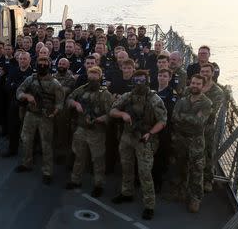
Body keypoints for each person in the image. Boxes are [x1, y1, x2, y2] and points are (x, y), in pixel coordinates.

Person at [109, 70, 167, 219]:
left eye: (142, 80)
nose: (139, 83)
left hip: (144, 139)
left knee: (145, 172)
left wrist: (151, 133)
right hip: (127, 136)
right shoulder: (128, 97)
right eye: (136, 80)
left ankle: (149, 205)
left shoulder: (155, 100)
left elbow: (162, 121)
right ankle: (126, 192)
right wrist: (123, 114)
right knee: (126, 166)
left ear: (147, 81)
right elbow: (112, 110)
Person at [15, 56, 64, 184]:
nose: (42, 66)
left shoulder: (55, 83)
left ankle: (47, 172)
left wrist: (54, 112)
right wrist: (26, 96)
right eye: (40, 63)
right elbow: (19, 91)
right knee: (26, 139)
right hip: (31, 114)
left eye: (44, 64)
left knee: (46, 144)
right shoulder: (31, 79)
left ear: (48, 65)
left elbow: (60, 103)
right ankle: (27, 163)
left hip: (46, 117)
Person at [66, 66, 113, 196]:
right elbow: (69, 98)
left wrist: (102, 119)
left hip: (96, 131)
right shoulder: (81, 90)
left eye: (95, 75)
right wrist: (76, 104)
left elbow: (112, 113)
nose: (92, 78)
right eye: (90, 75)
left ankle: (98, 184)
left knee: (98, 160)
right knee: (79, 156)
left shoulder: (105, 94)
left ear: (100, 77)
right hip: (81, 129)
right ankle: (76, 180)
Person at [170, 74, 213, 213]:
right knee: (180, 166)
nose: (195, 86)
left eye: (198, 84)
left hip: (196, 141)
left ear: (203, 86)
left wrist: (183, 117)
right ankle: (180, 192)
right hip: (181, 139)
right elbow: (174, 117)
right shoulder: (183, 101)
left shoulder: (206, 103)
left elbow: (200, 122)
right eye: (193, 83)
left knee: (196, 170)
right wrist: (190, 117)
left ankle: (196, 198)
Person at [199, 63, 225, 192]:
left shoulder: (217, 92)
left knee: (208, 154)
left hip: (207, 128)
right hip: (192, 127)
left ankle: (208, 180)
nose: (204, 73)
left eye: (207, 71)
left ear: (212, 73)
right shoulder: (196, 86)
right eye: (202, 71)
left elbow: (211, 112)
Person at [3, 51, 33, 157]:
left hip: (28, 107)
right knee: (13, 128)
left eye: (25, 59)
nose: (22, 61)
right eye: (20, 59)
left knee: (28, 131)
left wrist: (15, 85)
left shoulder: (32, 74)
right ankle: (12, 149)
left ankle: (29, 154)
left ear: (29, 60)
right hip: (14, 104)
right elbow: (7, 87)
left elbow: (31, 90)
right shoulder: (13, 71)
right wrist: (18, 87)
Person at [152, 68, 177, 192]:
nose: (162, 78)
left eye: (164, 76)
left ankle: (158, 183)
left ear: (169, 78)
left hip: (164, 128)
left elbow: (169, 111)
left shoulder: (172, 94)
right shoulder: (153, 91)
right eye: (160, 75)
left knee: (161, 155)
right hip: (151, 126)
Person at [52, 58, 76, 162]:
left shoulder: (71, 78)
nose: (61, 65)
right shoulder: (53, 76)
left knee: (63, 132)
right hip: (52, 106)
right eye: (60, 63)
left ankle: (63, 154)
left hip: (64, 109)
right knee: (53, 131)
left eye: (64, 64)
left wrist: (54, 90)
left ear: (68, 66)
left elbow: (64, 91)